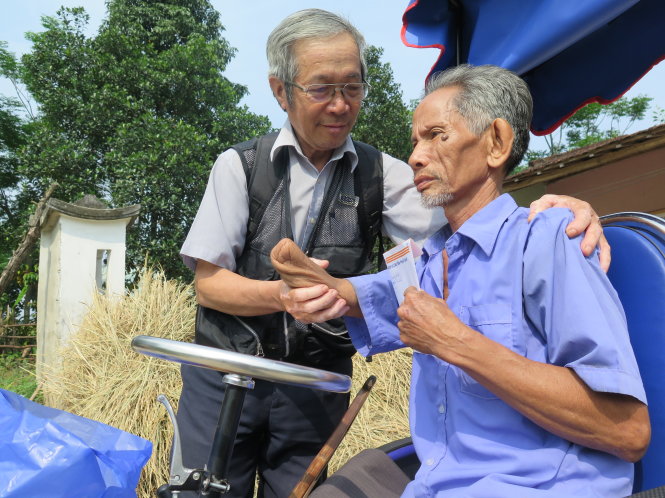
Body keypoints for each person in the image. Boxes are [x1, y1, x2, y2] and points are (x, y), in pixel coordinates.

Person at [176, 8, 611, 497]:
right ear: (281, 91)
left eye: (354, 88)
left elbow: (472, 214)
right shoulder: (239, 166)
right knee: (202, 489)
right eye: (322, 89)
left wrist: (562, 209)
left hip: (315, 382)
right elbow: (209, 285)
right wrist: (282, 295)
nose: (340, 105)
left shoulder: (385, 173)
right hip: (227, 374)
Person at [271, 64, 650, 497]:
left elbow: (628, 432)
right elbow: (353, 295)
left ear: (496, 142)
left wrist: (456, 342)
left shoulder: (551, 241)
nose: (414, 155)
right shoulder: (429, 260)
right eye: (415, 141)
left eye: (436, 135)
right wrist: (306, 279)